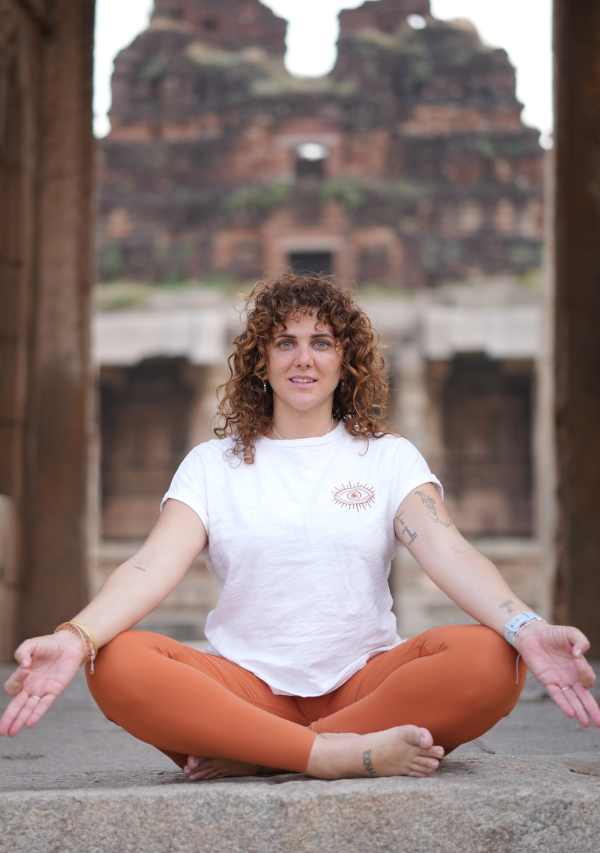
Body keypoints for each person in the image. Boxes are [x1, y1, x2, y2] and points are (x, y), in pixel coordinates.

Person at [1, 274, 599, 782]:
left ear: (347, 360)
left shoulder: (387, 457)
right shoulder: (214, 464)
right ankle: (325, 755)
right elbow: (151, 565)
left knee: (490, 657)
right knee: (119, 661)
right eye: (284, 342)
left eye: (322, 342)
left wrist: (527, 625)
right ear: (261, 361)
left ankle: (256, 752)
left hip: (363, 684)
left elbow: (447, 550)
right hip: (241, 687)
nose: (303, 358)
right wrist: (74, 638)